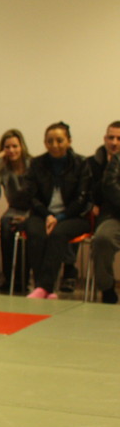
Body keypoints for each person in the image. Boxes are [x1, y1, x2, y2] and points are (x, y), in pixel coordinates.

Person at [21, 121, 91, 299]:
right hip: (42, 213)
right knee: (36, 232)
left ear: (69, 141)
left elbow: (81, 199)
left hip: (73, 216)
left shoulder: (82, 164)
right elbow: (32, 196)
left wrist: (59, 217)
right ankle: (43, 288)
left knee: (58, 234)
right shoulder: (36, 163)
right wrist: (48, 215)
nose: (54, 145)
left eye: (59, 140)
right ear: (45, 143)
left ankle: (45, 287)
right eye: (49, 141)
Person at [0, 128, 32, 291]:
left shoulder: (32, 164)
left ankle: (23, 280)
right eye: (7, 147)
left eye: (15, 146)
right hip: (14, 208)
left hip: (33, 208)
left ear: (22, 147)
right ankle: (9, 279)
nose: (11, 151)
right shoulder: (3, 167)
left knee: (26, 228)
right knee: (5, 225)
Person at [89, 121, 120, 303]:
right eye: (111, 137)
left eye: (119, 138)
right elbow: (108, 187)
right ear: (105, 139)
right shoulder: (93, 163)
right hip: (113, 216)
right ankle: (107, 289)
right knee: (102, 238)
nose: (115, 142)